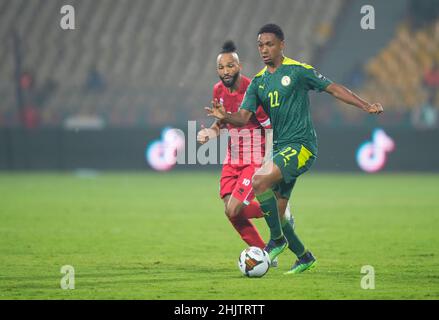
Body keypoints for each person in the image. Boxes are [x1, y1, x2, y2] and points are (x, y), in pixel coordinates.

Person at [206, 24, 383, 274]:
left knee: (259, 180)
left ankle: (276, 241)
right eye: (260, 45)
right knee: (278, 213)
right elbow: (244, 117)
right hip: (280, 149)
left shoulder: (298, 71)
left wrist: (365, 106)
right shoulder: (258, 82)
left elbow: (332, 88)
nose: (265, 50)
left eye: (269, 44)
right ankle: (304, 256)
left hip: (301, 145)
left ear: (281, 45)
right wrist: (225, 116)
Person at [197, 41, 291, 264]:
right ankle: (264, 253)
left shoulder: (253, 89)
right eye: (221, 67)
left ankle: (281, 213)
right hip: (233, 157)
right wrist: (212, 132)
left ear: (239, 66)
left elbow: (269, 125)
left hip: (254, 156)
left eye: (230, 66)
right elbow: (222, 121)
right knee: (231, 212)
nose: (225, 71)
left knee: (235, 208)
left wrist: (269, 158)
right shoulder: (217, 90)